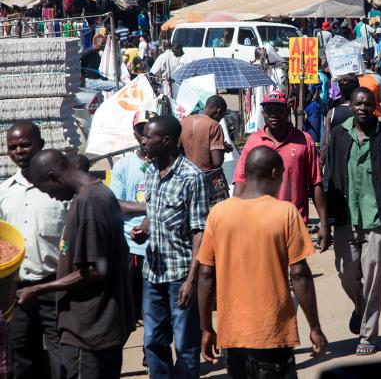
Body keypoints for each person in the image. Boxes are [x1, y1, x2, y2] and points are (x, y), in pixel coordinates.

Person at [197, 146, 328, 378]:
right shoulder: (285, 213)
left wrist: (206, 328)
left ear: (245, 173)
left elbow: (206, 275)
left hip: (233, 336)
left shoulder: (218, 214)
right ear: (277, 173)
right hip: (273, 332)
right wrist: (315, 327)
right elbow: (299, 274)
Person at [17, 149, 135, 379]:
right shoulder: (97, 194)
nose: (50, 196)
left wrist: (39, 288)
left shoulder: (90, 204)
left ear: (54, 177)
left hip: (88, 332)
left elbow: (93, 270)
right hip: (97, 329)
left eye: (46, 189)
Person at [323, 87, 381, 356]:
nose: (362, 108)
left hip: (377, 219)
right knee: (346, 274)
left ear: (375, 107)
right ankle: (360, 308)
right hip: (346, 219)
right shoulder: (338, 135)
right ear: (350, 105)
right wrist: (327, 220)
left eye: (367, 104)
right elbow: (328, 177)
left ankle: (368, 335)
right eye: (358, 103)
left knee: (372, 278)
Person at [136, 115, 209, 379]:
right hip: (152, 273)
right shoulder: (152, 172)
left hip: (180, 276)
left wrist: (192, 279)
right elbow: (153, 209)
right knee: (153, 340)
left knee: (184, 344)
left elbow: (200, 230)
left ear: (166, 141)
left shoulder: (192, 177)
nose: (143, 141)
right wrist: (144, 229)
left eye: (148, 136)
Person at [0, 122, 66, 379]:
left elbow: (70, 237)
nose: (19, 151)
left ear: (40, 145)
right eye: (12, 147)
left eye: (25, 144)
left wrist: (66, 252)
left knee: (62, 360)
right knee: (21, 360)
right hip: (16, 293)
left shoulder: (59, 191)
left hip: (55, 288)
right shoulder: (4, 193)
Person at [233, 91, 328, 234]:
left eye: (278, 109)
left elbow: (315, 182)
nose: (273, 114)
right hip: (258, 223)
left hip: (293, 223)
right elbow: (240, 180)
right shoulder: (253, 141)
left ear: (287, 111)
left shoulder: (304, 140)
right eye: (269, 110)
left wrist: (324, 223)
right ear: (263, 113)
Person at [109, 112, 150, 328]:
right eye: (141, 130)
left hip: (159, 245)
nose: (145, 135)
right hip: (131, 244)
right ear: (135, 134)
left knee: (154, 309)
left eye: (149, 129)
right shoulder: (123, 166)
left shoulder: (168, 165)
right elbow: (115, 202)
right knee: (130, 309)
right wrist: (150, 207)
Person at [180, 95, 229, 205]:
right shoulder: (214, 125)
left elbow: (180, 150)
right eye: (222, 116)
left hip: (187, 180)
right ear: (219, 111)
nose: (220, 119)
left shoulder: (184, 122)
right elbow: (217, 162)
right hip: (209, 181)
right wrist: (222, 150)